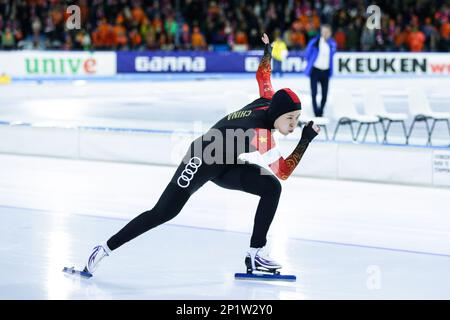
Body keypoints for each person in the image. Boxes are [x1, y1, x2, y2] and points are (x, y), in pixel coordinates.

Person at [81, 33, 320, 277]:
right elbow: (283, 171)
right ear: (277, 113)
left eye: (297, 119)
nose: (293, 124)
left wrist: (267, 50)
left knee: (270, 188)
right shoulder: (261, 134)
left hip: (227, 163)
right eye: (290, 118)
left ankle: (255, 254)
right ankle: (102, 249)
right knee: (163, 212)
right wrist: (305, 140)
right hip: (202, 156)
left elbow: (263, 74)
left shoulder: (269, 98)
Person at [304, 24, 337, 117]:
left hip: (326, 72)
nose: (325, 33)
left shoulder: (332, 44)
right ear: (321, 32)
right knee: (314, 93)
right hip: (315, 71)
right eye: (323, 31)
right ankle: (315, 112)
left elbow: (332, 55)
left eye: (327, 32)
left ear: (330, 33)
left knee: (325, 95)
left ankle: (321, 111)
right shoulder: (315, 42)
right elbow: (307, 54)